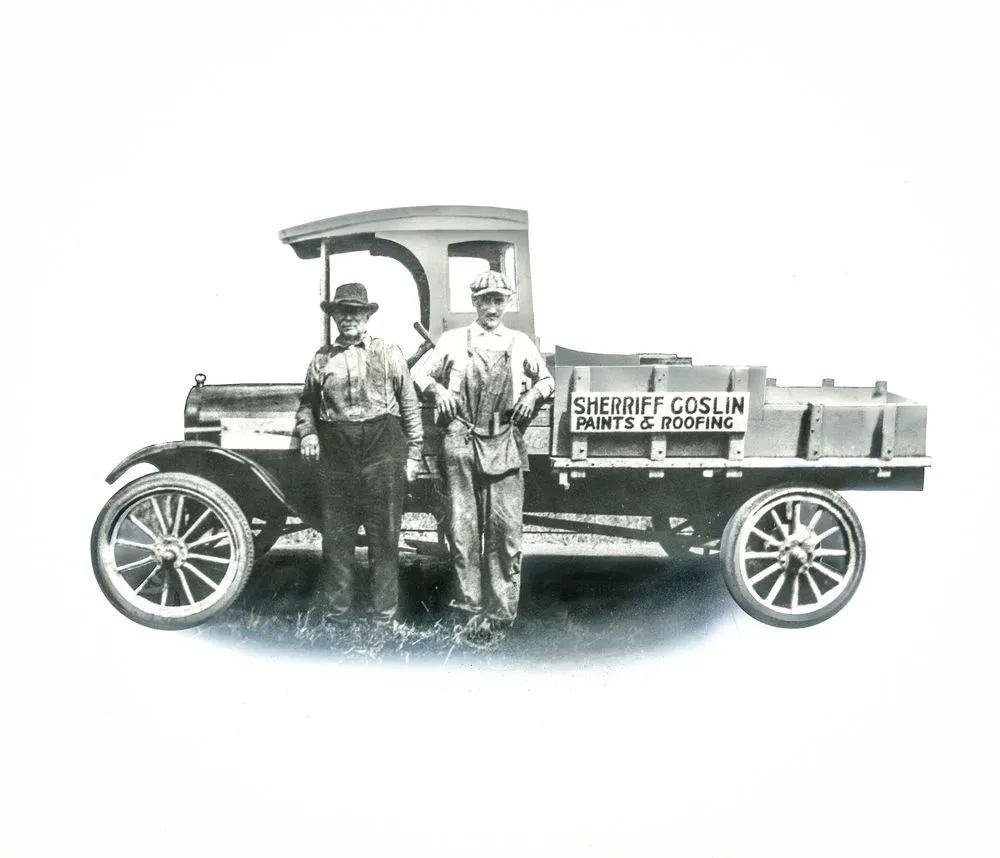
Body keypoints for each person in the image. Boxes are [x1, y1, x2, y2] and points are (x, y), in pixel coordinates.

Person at [413, 270, 554, 637]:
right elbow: (419, 376)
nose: (492, 307)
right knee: (463, 532)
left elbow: (547, 380)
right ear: (474, 302)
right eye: (485, 300)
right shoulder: (453, 340)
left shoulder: (519, 341)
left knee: (505, 532)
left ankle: (501, 615)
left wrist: (532, 395)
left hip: (504, 439)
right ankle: (469, 614)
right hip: (460, 439)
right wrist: (437, 392)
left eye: (498, 300)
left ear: (506, 303)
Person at [295, 282, 423, 626]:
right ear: (335, 316)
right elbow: (307, 403)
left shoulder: (388, 352)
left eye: (355, 311)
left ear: (367, 316)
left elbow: (409, 405)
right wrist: (308, 432)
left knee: (384, 538)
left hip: (383, 449)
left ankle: (383, 617)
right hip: (337, 453)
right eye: (342, 311)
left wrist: (414, 455)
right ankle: (337, 617)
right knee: (337, 540)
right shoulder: (322, 359)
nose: (349, 318)